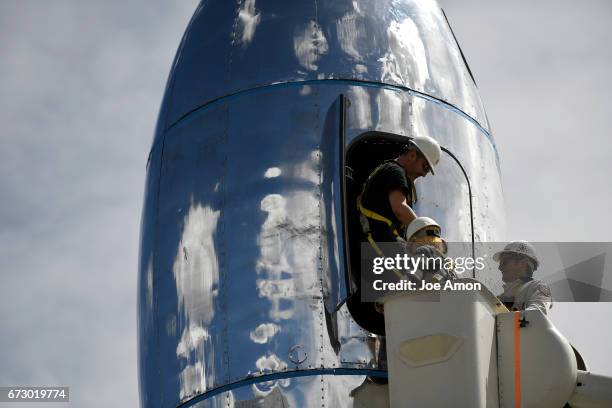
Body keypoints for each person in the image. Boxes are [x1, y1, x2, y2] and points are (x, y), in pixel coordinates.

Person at [358, 135, 441, 244]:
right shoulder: (395, 171)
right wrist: (425, 234)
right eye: (425, 167)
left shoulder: (391, 170)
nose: (424, 174)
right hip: (379, 240)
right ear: (412, 155)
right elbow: (400, 209)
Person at [493, 241, 552, 314]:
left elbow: (537, 313)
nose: (500, 267)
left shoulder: (537, 287)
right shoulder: (499, 298)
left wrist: (510, 321)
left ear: (522, 263)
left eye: (504, 262)